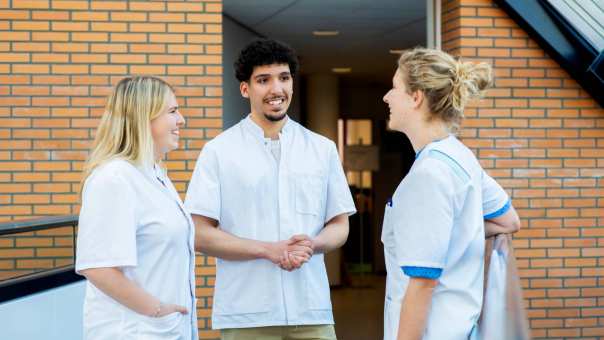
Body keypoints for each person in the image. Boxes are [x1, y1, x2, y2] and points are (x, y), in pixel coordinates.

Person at [185, 39, 356, 340]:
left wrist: (312, 245)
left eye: (284, 78)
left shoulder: (322, 149)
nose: (276, 89)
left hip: (311, 309)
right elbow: (199, 233)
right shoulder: (219, 152)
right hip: (247, 313)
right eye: (263, 80)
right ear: (245, 89)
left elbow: (340, 225)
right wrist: (268, 250)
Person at [380, 48, 521, 340]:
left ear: (416, 97)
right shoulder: (460, 156)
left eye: (395, 88)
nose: (387, 97)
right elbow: (508, 221)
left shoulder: (429, 175)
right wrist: (457, 234)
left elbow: (422, 284)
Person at [75, 76, 197, 340]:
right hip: (134, 331)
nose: (181, 120)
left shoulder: (154, 174)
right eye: (173, 111)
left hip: (165, 329)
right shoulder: (114, 178)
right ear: (144, 117)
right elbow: (98, 268)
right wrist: (157, 310)